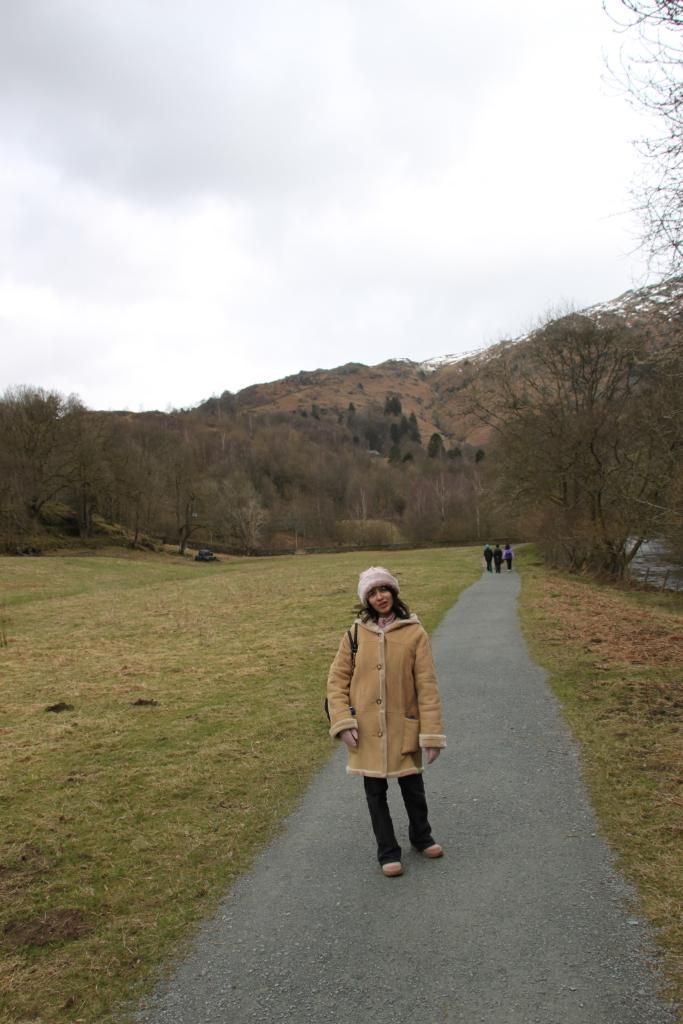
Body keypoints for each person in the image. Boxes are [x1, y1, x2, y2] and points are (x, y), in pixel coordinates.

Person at [326, 566, 446, 877]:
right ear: (366, 599)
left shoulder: (414, 633)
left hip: (403, 727)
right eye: (374, 592)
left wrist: (431, 735)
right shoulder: (354, 635)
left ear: (394, 592)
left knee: (413, 788)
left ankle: (422, 837)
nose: (381, 596)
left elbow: (427, 687)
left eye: (385, 590)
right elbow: (336, 681)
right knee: (375, 794)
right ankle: (387, 851)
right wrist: (343, 723)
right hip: (365, 731)